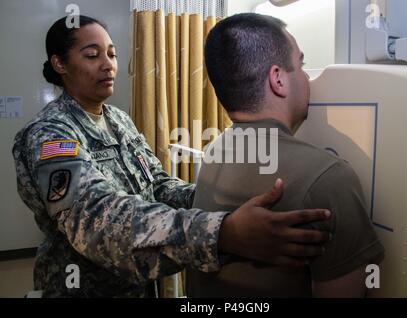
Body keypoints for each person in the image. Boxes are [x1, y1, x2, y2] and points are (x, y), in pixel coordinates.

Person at [11, 15, 332, 297]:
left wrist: (217, 198)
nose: (108, 64)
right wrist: (222, 232)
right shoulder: (49, 135)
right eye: (92, 55)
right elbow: (95, 221)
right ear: (60, 64)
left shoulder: (118, 121)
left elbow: (159, 187)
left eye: (112, 54)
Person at [186, 13, 385, 298]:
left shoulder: (214, 151)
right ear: (278, 79)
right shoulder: (329, 178)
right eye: (301, 65)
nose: (307, 77)